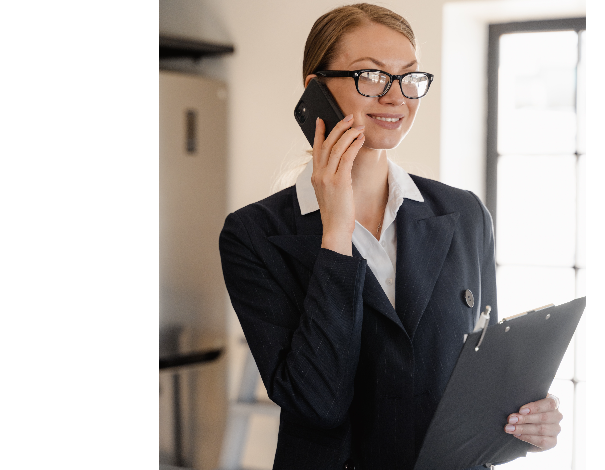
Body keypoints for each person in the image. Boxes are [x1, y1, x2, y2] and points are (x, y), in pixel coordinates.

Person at [219, 4, 562, 469]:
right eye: (371, 76)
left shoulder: (463, 214)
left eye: (409, 77)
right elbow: (319, 403)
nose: (396, 96)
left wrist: (526, 423)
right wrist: (336, 230)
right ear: (315, 89)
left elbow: (476, 384)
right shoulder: (254, 235)